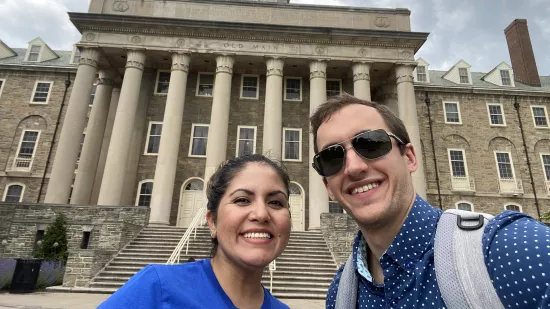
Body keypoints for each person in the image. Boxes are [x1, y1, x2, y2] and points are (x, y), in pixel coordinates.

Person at [309, 94, 550, 308]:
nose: (354, 167)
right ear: (328, 187)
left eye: (371, 143)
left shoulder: (510, 250)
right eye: (331, 157)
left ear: (410, 158)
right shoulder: (340, 293)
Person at [98, 154, 292, 309]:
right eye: (242, 200)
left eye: (276, 202)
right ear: (212, 222)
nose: (261, 214)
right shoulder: (156, 287)